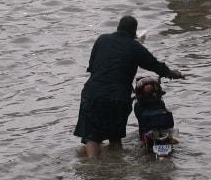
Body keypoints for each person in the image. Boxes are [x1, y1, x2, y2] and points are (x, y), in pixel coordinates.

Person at [74, 16, 184, 158]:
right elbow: (155, 65)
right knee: (115, 138)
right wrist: (172, 74)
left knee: (91, 136)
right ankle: (116, 169)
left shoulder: (102, 40)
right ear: (134, 32)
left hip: (93, 95)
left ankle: (93, 168)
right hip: (118, 99)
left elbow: (92, 68)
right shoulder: (135, 47)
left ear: (118, 27)